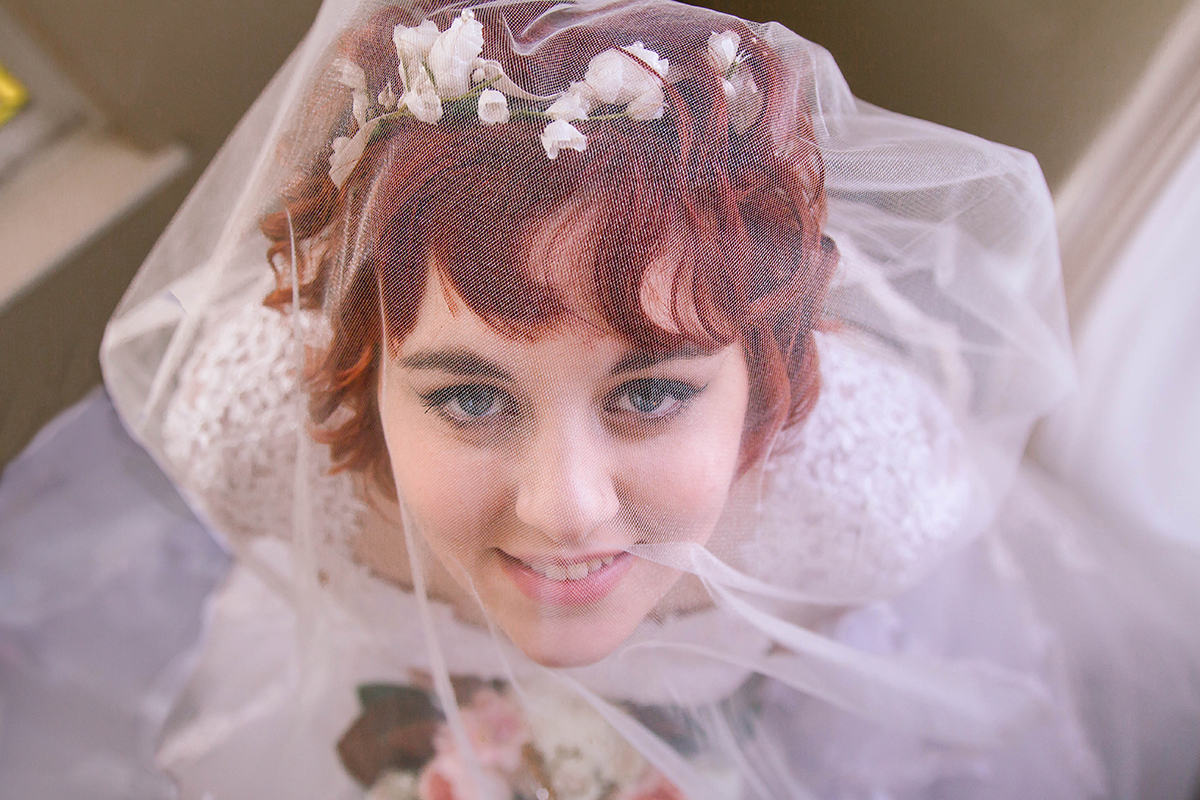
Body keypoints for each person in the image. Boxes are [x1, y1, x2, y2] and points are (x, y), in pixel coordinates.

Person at [97, 0, 1200, 798]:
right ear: (358, 372)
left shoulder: (863, 504)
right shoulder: (248, 443)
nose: (568, 507)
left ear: (769, 380)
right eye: (473, 399)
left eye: (653, 391)